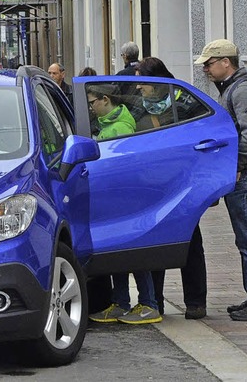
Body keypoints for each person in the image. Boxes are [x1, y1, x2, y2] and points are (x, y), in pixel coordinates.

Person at [195, 38, 247, 321]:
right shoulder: (233, 89)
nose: (206, 69)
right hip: (246, 176)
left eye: (208, 64)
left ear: (225, 62)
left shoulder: (242, 90)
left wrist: (237, 165)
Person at [135, 56, 208, 320]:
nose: (138, 87)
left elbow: (200, 135)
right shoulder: (137, 107)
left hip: (182, 182)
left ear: (155, 79)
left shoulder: (184, 102)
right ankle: (156, 302)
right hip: (152, 184)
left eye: (141, 80)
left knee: (191, 242)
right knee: (155, 242)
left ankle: (196, 302)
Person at [86, 83, 161, 324]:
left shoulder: (119, 128)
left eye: (92, 102)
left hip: (124, 197)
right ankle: (120, 302)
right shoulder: (109, 124)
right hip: (113, 197)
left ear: (105, 100)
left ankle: (149, 304)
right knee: (117, 251)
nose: (90, 108)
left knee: (133, 252)